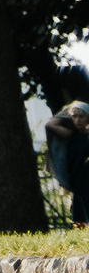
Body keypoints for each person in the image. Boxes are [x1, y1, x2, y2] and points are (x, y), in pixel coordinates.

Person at [47, 80, 89, 226]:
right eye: (74, 116)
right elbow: (50, 124)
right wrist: (69, 109)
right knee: (79, 209)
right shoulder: (70, 135)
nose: (77, 119)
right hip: (76, 177)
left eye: (81, 116)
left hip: (86, 175)